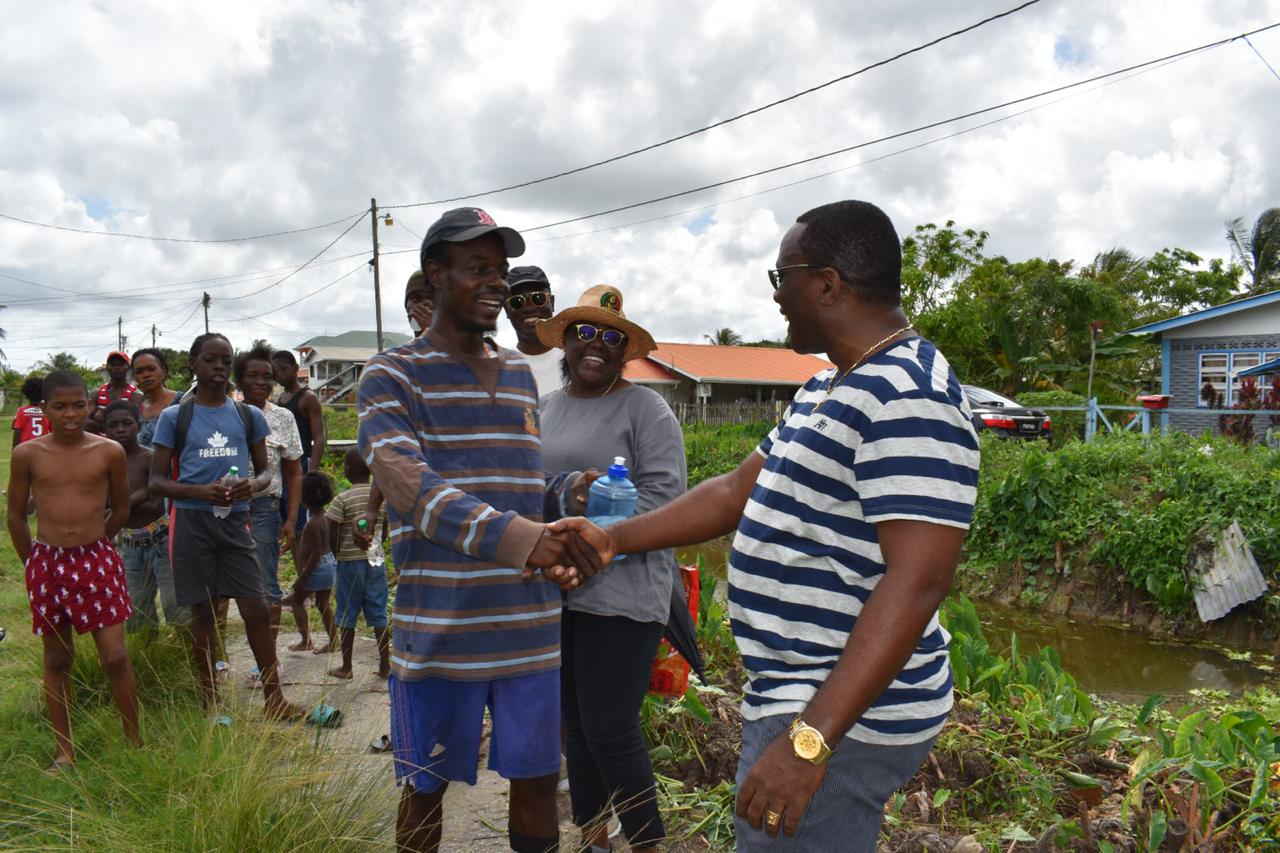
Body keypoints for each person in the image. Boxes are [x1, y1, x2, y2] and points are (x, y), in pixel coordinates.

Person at [562, 201, 981, 851]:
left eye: (780, 276)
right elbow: (734, 491)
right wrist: (615, 536)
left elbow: (920, 579)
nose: (777, 295)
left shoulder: (910, 394)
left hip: (841, 717)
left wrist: (809, 743)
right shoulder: (826, 386)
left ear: (827, 283)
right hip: (798, 695)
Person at [356, 205, 605, 853]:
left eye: (500, 268)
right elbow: (409, 487)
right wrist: (521, 537)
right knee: (425, 787)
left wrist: (569, 496)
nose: (496, 283)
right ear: (435, 276)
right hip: (441, 629)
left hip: (528, 629)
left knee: (534, 784)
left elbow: (519, 488)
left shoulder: (521, 377)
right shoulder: (391, 375)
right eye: (477, 269)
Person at [537, 284, 685, 852]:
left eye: (612, 338)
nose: (597, 346)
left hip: (625, 592)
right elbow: (528, 489)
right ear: (568, 342)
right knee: (575, 724)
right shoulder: (546, 409)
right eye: (586, 333)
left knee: (611, 727)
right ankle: (594, 839)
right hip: (558, 590)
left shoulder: (646, 408)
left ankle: (647, 844)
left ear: (625, 351)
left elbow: (667, 502)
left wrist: (597, 542)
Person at [149, 332, 303, 721]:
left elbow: (267, 472)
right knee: (202, 614)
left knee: (254, 608)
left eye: (225, 359)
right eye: (210, 359)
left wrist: (249, 486)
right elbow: (156, 482)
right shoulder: (175, 417)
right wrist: (202, 492)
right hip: (191, 522)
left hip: (236, 521)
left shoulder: (247, 415)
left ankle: (275, 700)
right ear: (193, 363)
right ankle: (208, 700)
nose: (218, 366)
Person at [6, 369, 140, 770]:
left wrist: (98, 542)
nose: (70, 414)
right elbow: (14, 514)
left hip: (96, 559)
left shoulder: (107, 451)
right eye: (59, 406)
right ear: (43, 408)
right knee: (57, 660)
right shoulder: (27, 454)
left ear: (89, 405)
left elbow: (121, 508)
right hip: (47, 562)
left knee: (115, 656)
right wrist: (32, 561)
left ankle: (134, 742)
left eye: (78, 405)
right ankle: (65, 749)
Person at [234, 344, 302, 662]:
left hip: (265, 510)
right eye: (253, 376)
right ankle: (218, 660)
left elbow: (293, 471)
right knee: (222, 587)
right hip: (226, 509)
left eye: (268, 377)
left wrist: (290, 519)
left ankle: (266, 662)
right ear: (239, 380)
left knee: (266, 587)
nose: (261, 382)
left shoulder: (284, 419)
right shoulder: (225, 414)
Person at [103, 399, 186, 630]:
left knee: (175, 605)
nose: (120, 430)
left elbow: (154, 502)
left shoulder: (149, 457)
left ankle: (188, 657)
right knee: (137, 611)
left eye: (126, 423)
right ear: (105, 430)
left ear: (138, 426)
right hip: (129, 544)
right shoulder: (105, 464)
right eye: (113, 425)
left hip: (159, 537)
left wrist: (120, 506)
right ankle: (148, 655)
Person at [325, 447, 390, 680]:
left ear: (347, 470)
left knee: (347, 614)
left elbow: (331, 529)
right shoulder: (379, 500)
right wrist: (376, 545)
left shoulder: (342, 498)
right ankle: (385, 665)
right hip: (376, 560)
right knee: (379, 612)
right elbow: (384, 530)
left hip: (349, 563)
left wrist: (338, 553)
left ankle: (346, 666)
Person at [271, 349, 326, 537]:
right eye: (275, 371)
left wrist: (312, 471)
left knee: (302, 523)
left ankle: (308, 564)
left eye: (284, 369)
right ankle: (299, 564)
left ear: (295, 368)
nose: (280, 375)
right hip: (284, 465)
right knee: (289, 522)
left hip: (302, 463)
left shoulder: (308, 398)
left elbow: (319, 436)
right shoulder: (280, 399)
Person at [289, 471, 337, 653]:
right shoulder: (326, 517)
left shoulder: (311, 524)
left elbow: (315, 554)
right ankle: (333, 640)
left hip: (316, 568)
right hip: (329, 564)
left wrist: (303, 578)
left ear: (304, 497)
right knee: (323, 604)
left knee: (297, 601)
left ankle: (305, 640)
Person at [504, 265, 560, 398]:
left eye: (538, 298)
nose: (529, 308)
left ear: (551, 303)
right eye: (517, 302)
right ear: (506, 310)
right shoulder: (499, 371)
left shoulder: (576, 362)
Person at [130, 348, 184, 448]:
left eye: (151, 369)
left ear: (163, 371)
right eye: (139, 372)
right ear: (134, 377)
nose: (146, 375)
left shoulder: (183, 402)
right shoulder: (137, 410)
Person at [91, 351, 142, 428]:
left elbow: (139, 425)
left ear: (127, 367)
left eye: (121, 364)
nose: (117, 367)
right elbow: (84, 423)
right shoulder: (96, 395)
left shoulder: (137, 396)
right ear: (107, 367)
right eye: (113, 364)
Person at [12, 376, 47, 448]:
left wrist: (14, 451)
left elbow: (17, 431)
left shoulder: (21, 410)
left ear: (26, 394)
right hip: (43, 448)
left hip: (26, 448)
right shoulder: (47, 411)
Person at [405, 268, 433, 338]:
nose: (423, 306)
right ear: (406, 307)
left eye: (432, 299)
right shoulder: (404, 349)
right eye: (415, 299)